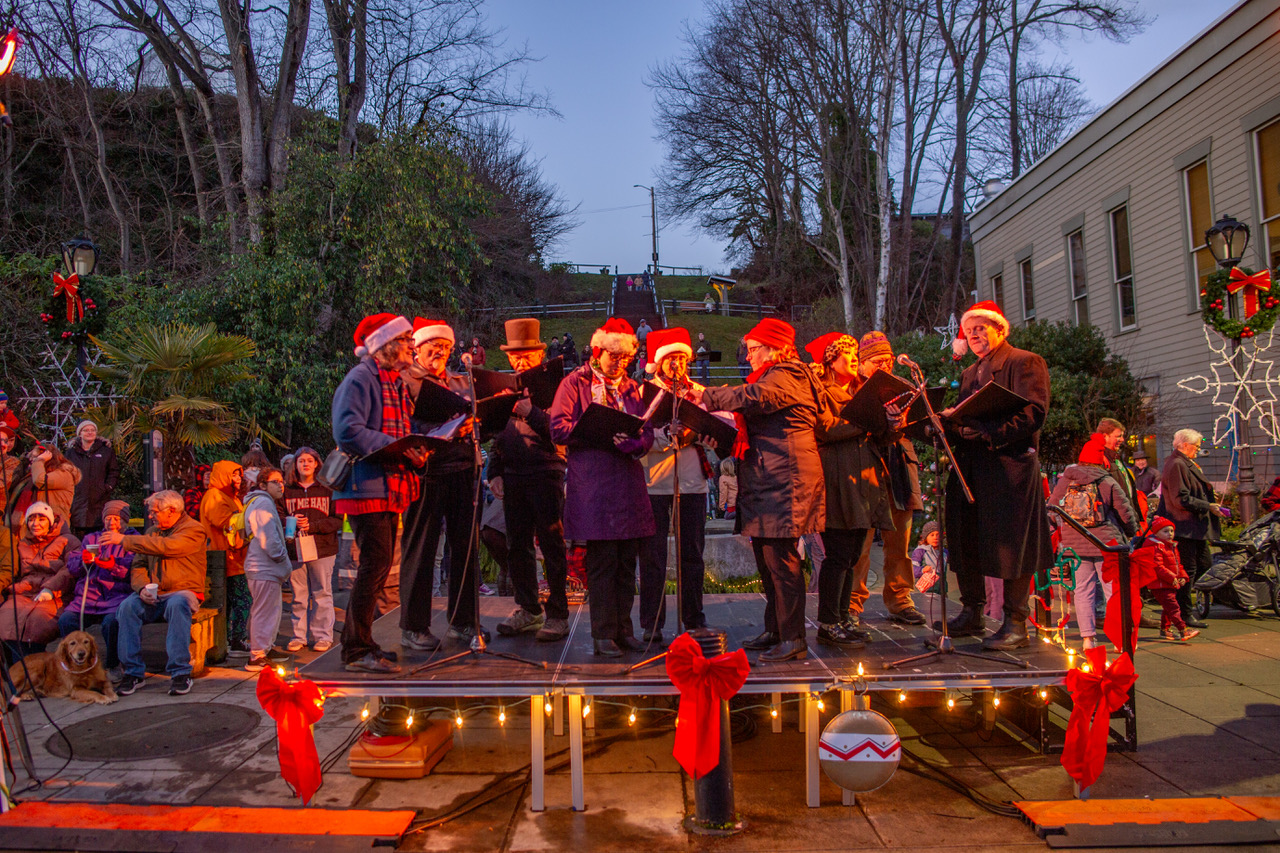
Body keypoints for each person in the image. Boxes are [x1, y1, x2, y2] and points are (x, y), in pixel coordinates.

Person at [697, 318, 825, 662]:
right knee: (768, 559)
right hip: (768, 478)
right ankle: (777, 629)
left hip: (785, 480)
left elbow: (755, 397)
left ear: (774, 348)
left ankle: (793, 638)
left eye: (754, 349)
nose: (748, 357)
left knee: (782, 561)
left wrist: (704, 395)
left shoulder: (788, 373)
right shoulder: (772, 375)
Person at [942, 300, 1053, 651]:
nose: (974, 335)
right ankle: (972, 609)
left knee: (1011, 543)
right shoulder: (969, 372)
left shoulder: (1024, 362)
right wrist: (952, 425)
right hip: (971, 466)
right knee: (965, 535)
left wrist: (990, 433)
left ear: (999, 329)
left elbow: (1034, 411)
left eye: (981, 329)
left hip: (1010, 468)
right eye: (969, 331)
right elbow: (967, 417)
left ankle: (1015, 621)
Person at [549, 318, 655, 657]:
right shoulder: (574, 383)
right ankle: (603, 633)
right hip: (593, 485)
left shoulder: (631, 388)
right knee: (602, 562)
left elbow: (647, 431)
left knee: (626, 563)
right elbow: (558, 428)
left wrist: (635, 443)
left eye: (625, 358)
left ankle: (624, 630)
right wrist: (594, 429)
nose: (620, 363)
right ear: (598, 351)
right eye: (614, 356)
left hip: (627, 484)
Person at [331, 313, 427, 673]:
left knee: (379, 566)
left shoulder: (393, 381)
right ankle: (355, 649)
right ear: (386, 345)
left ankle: (362, 643)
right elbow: (347, 429)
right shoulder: (360, 378)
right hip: (365, 487)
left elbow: (402, 429)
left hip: (385, 486)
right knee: (374, 566)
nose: (411, 347)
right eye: (404, 340)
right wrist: (399, 446)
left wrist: (415, 451)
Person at [399, 318, 486, 648]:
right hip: (427, 472)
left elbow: (475, 415)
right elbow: (402, 421)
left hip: (464, 467)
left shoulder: (461, 380)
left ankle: (463, 621)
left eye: (445, 347)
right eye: (433, 347)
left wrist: (473, 420)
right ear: (417, 348)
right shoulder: (406, 379)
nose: (440, 352)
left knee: (465, 548)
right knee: (421, 547)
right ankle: (413, 625)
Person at [490, 318, 572, 643]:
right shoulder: (502, 385)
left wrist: (530, 412)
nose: (520, 360)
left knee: (552, 544)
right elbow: (498, 432)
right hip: (512, 474)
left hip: (546, 471)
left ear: (539, 353)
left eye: (526, 353)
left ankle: (558, 614)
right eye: (515, 355)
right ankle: (528, 608)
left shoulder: (557, 384)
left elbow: (561, 434)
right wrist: (494, 469)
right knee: (517, 545)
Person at [849, 332, 927, 627]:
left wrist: (906, 419)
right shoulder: (853, 391)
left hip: (899, 470)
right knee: (861, 545)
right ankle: (853, 603)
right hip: (866, 471)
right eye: (876, 361)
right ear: (862, 364)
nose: (885, 365)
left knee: (900, 544)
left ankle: (900, 599)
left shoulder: (904, 386)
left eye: (887, 359)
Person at [638, 328, 710, 644]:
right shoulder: (645, 393)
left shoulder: (698, 392)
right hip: (654, 483)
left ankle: (693, 619)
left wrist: (698, 433)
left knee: (692, 555)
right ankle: (651, 624)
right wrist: (664, 434)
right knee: (653, 557)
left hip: (692, 484)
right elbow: (636, 435)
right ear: (660, 362)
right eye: (671, 358)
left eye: (682, 357)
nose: (677, 363)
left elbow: (714, 430)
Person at [810, 332, 882, 649]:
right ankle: (828, 622)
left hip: (861, 484)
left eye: (856, 353)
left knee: (852, 555)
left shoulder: (858, 392)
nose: (854, 358)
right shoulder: (821, 391)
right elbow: (825, 428)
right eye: (847, 354)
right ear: (829, 360)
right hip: (836, 482)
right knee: (838, 554)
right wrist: (867, 421)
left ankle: (842, 618)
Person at [102, 491, 206, 695]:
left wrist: (124, 540)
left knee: (178, 604)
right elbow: (138, 565)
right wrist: (141, 589)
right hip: (154, 594)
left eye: (154, 512)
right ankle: (132, 673)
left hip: (182, 591)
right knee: (127, 607)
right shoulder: (151, 532)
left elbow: (169, 547)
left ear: (172, 511)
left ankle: (180, 673)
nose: (150, 516)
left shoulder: (194, 530)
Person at [1047, 432, 1138, 649]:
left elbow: (1052, 509)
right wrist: (1131, 531)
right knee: (1112, 592)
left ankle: (1088, 638)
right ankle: (1120, 639)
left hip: (1075, 545)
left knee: (1083, 591)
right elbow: (1125, 511)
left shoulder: (1066, 479)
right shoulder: (1106, 480)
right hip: (1106, 544)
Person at [1156, 428, 1226, 630]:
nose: (1198, 449)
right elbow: (1181, 498)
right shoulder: (1177, 464)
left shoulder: (1181, 463)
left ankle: (1180, 610)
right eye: (1196, 446)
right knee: (1189, 569)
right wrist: (1208, 506)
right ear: (1184, 445)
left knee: (1202, 565)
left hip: (1191, 527)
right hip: (1185, 526)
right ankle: (1182, 613)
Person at [58, 500, 136, 677]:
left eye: (117, 518)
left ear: (125, 520)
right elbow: (73, 567)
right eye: (108, 518)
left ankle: (113, 664)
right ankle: (76, 664)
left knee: (112, 623)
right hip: (87, 596)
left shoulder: (132, 540)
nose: (112, 523)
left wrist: (111, 565)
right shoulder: (91, 538)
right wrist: (82, 561)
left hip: (116, 596)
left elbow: (132, 568)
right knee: (67, 620)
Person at [0, 502, 78, 659]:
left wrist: (50, 588)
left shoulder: (68, 541)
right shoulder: (23, 543)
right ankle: (18, 673)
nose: (35, 524)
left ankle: (33, 671)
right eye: (31, 519)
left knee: (37, 622)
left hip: (56, 594)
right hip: (25, 592)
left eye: (41, 519)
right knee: (8, 617)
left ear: (50, 521)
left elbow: (71, 569)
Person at [283, 447, 342, 653]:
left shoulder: (328, 489)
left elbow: (338, 520)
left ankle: (323, 635)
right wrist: (289, 521)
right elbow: (278, 517)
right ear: (295, 465)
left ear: (317, 463)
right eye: (301, 461)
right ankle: (299, 636)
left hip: (323, 549)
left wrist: (314, 526)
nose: (305, 464)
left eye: (309, 460)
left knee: (322, 593)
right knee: (298, 594)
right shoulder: (286, 491)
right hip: (295, 549)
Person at [241, 467, 292, 671]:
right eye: (275, 482)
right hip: (263, 567)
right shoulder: (262, 503)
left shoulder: (263, 502)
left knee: (271, 610)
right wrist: (281, 556)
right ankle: (257, 655)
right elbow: (268, 539)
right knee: (264, 611)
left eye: (282, 482)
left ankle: (266, 648)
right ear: (262, 485)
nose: (281, 485)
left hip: (266, 568)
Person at [200, 460, 249, 654]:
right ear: (224, 476)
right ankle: (235, 638)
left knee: (236, 600)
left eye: (239, 474)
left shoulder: (233, 497)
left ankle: (233, 638)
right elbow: (225, 522)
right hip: (223, 558)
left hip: (236, 558)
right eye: (234, 475)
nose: (238, 478)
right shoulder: (214, 495)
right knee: (240, 600)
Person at [1137, 517, 1199, 641]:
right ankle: (1183, 629)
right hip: (1159, 584)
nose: (1170, 534)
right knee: (1173, 607)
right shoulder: (1156, 547)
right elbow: (1157, 566)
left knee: (1168, 608)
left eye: (1171, 531)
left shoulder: (1170, 546)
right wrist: (1172, 577)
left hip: (1168, 582)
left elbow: (1177, 564)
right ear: (1156, 533)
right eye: (1165, 531)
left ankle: (1165, 630)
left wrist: (1182, 576)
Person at [66, 420, 119, 540]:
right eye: (86, 430)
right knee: (79, 539)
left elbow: (113, 471)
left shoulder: (106, 451)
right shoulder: (71, 453)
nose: (90, 432)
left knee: (98, 538)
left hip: (99, 501)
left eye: (92, 430)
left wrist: (108, 487)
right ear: (80, 433)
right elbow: (65, 472)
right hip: (78, 502)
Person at [25, 444, 81, 529]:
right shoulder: (37, 472)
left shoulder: (64, 474)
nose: (33, 461)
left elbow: (40, 481)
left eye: (36, 457)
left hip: (55, 526)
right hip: (37, 526)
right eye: (32, 458)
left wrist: (40, 460)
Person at [911, 521, 944, 616]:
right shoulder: (921, 551)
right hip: (927, 589)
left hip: (941, 588)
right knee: (928, 610)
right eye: (932, 535)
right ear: (925, 537)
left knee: (940, 610)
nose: (935, 538)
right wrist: (922, 570)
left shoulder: (943, 552)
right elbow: (912, 568)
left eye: (938, 535)